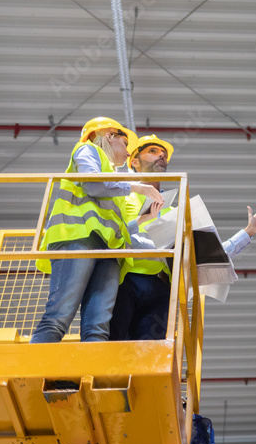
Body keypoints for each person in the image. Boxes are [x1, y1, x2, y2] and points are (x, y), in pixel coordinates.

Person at [110, 134, 256, 341]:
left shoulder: (175, 212)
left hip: (161, 290)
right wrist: (162, 249)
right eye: (153, 151)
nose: (161, 156)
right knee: (113, 344)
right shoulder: (121, 197)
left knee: (150, 357)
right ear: (134, 161)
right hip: (126, 281)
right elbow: (114, 236)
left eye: (164, 154)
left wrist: (248, 232)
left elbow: (206, 254)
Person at [30, 118, 164, 343]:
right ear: (109, 136)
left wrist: (142, 220)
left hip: (109, 251)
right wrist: (134, 185)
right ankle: (31, 375)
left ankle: (93, 377)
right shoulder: (87, 150)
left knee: (98, 327)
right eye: (124, 142)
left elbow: (114, 226)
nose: (127, 151)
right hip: (78, 238)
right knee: (59, 316)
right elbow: (91, 184)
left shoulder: (113, 179)